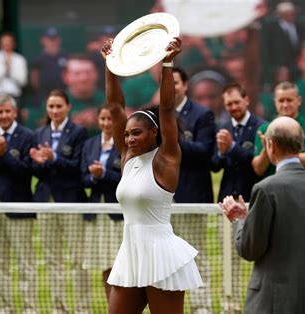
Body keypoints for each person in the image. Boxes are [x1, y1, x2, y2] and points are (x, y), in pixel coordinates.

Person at [101, 37, 203, 314]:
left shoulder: (166, 158)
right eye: (126, 134)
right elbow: (114, 107)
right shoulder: (127, 157)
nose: (129, 139)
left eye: (136, 133)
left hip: (161, 254)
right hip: (130, 252)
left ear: (154, 133)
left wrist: (168, 62)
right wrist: (111, 65)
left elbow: (167, 109)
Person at [220, 116, 305, 313]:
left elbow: (249, 249)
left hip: (270, 300)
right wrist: (251, 217)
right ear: (301, 144)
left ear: (270, 145)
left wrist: (239, 221)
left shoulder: (266, 188)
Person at [30, 89, 89, 313]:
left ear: (68, 107)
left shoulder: (79, 132)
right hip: (46, 201)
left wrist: (54, 158)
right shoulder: (39, 133)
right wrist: (38, 162)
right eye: (51, 107)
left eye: (59, 106)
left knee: (77, 260)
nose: (54, 110)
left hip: (71, 201)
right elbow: (36, 171)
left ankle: (82, 308)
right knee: (53, 259)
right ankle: (59, 308)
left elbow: (76, 168)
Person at [0, 94, 37, 313]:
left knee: (26, 264)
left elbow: (27, 171)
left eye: (7, 111)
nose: (3, 115)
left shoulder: (28, 136)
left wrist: (4, 156)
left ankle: (29, 309)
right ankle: (5, 308)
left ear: (14, 112)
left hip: (20, 208)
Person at [211, 82, 264, 313]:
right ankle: (230, 306)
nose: (232, 107)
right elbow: (214, 166)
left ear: (246, 100)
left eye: (235, 102)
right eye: (228, 104)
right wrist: (222, 152)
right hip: (227, 202)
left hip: (254, 201)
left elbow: (258, 163)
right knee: (230, 257)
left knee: (256, 253)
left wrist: (231, 148)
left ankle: (257, 302)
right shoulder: (222, 127)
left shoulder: (261, 126)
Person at [172, 66, 216, 314]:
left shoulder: (203, 115)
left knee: (196, 255)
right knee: (167, 260)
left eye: (175, 82)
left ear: (185, 85)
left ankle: (202, 307)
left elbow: (205, 152)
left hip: (192, 197)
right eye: (166, 83)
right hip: (163, 199)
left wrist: (173, 141)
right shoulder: (157, 114)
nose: (171, 87)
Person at [81, 105, 124, 303]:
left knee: (121, 265)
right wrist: (95, 178)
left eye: (110, 119)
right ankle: (111, 307)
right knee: (105, 265)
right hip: (96, 212)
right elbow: (83, 178)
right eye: (103, 119)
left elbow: (126, 177)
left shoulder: (126, 144)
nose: (107, 123)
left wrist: (104, 174)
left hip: (117, 215)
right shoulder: (89, 144)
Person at [252, 81, 305, 178]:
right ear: (275, 102)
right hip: (272, 187)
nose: (285, 105)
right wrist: (266, 150)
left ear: (299, 100)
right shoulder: (264, 130)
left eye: (289, 100)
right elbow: (258, 169)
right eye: (281, 100)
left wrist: (282, 152)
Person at [62, 54, 104, 135]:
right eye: (77, 73)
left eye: (88, 73)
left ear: (97, 74)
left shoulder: (110, 102)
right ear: (65, 77)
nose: (83, 78)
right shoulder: (53, 104)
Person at [265, 1, 305, 82]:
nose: (291, 14)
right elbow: (270, 50)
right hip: (281, 69)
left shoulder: (300, 28)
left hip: (298, 68)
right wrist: (278, 68)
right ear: (281, 14)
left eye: (292, 12)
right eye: (288, 12)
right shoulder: (272, 30)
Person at [30, 27, 67, 107]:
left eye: (54, 39)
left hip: (63, 93)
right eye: (49, 39)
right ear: (43, 40)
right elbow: (34, 79)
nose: (52, 41)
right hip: (44, 95)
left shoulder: (65, 56)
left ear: (59, 40)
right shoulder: (38, 58)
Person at [0, 32, 28, 101]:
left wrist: (10, 69)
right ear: (0, 44)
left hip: (15, 96)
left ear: (14, 44)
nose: (7, 44)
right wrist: (5, 68)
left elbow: (23, 82)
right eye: (4, 42)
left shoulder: (20, 59)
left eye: (9, 42)